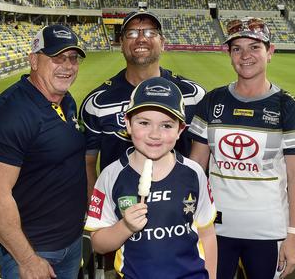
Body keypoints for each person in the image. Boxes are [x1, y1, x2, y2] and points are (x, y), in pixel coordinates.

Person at [187, 17, 295, 279]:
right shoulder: (212, 100)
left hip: (270, 232)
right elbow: (196, 167)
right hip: (215, 230)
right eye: (237, 48)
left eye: (254, 47)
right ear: (229, 54)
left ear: (270, 52)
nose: (245, 55)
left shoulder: (287, 106)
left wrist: (293, 236)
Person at [0, 24, 87, 279]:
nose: (68, 66)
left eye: (72, 58)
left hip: (69, 243)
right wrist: (27, 260)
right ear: (34, 60)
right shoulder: (7, 114)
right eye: (57, 57)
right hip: (32, 251)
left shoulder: (65, 101)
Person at [85, 77, 217, 278]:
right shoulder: (111, 176)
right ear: (127, 123)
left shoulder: (194, 173)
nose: (155, 134)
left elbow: (207, 235)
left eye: (166, 125)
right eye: (144, 123)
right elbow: (99, 244)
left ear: (180, 130)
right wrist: (126, 226)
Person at [79, 9, 206, 199]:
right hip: (119, 214)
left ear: (162, 43)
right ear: (121, 43)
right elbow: (88, 163)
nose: (141, 39)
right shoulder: (97, 102)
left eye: (149, 32)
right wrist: (95, 209)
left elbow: (202, 157)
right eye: (131, 33)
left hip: (179, 211)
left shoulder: (193, 95)